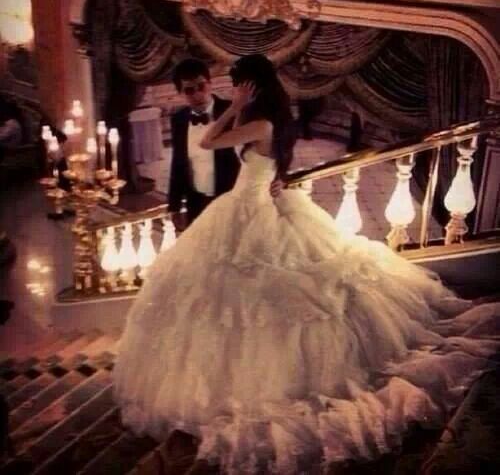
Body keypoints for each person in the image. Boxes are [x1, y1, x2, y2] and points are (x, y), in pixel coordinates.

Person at [113, 54, 500, 474]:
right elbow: (261, 161)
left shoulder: (258, 122)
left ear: (254, 89)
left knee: (250, 303)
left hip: (250, 211)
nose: (235, 90)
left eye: (241, 85)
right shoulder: (273, 122)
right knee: (233, 300)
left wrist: (237, 108)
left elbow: (207, 142)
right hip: (257, 201)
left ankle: (259, 385)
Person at [167, 58, 242, 232]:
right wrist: (174, 205)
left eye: (201, 86)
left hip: (231, 200)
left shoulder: (232, 112)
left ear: (210, 84)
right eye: (189, 90)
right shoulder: (178, 119)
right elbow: (178, 164)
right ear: (180, 93)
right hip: (196, 204)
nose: (197, 95)